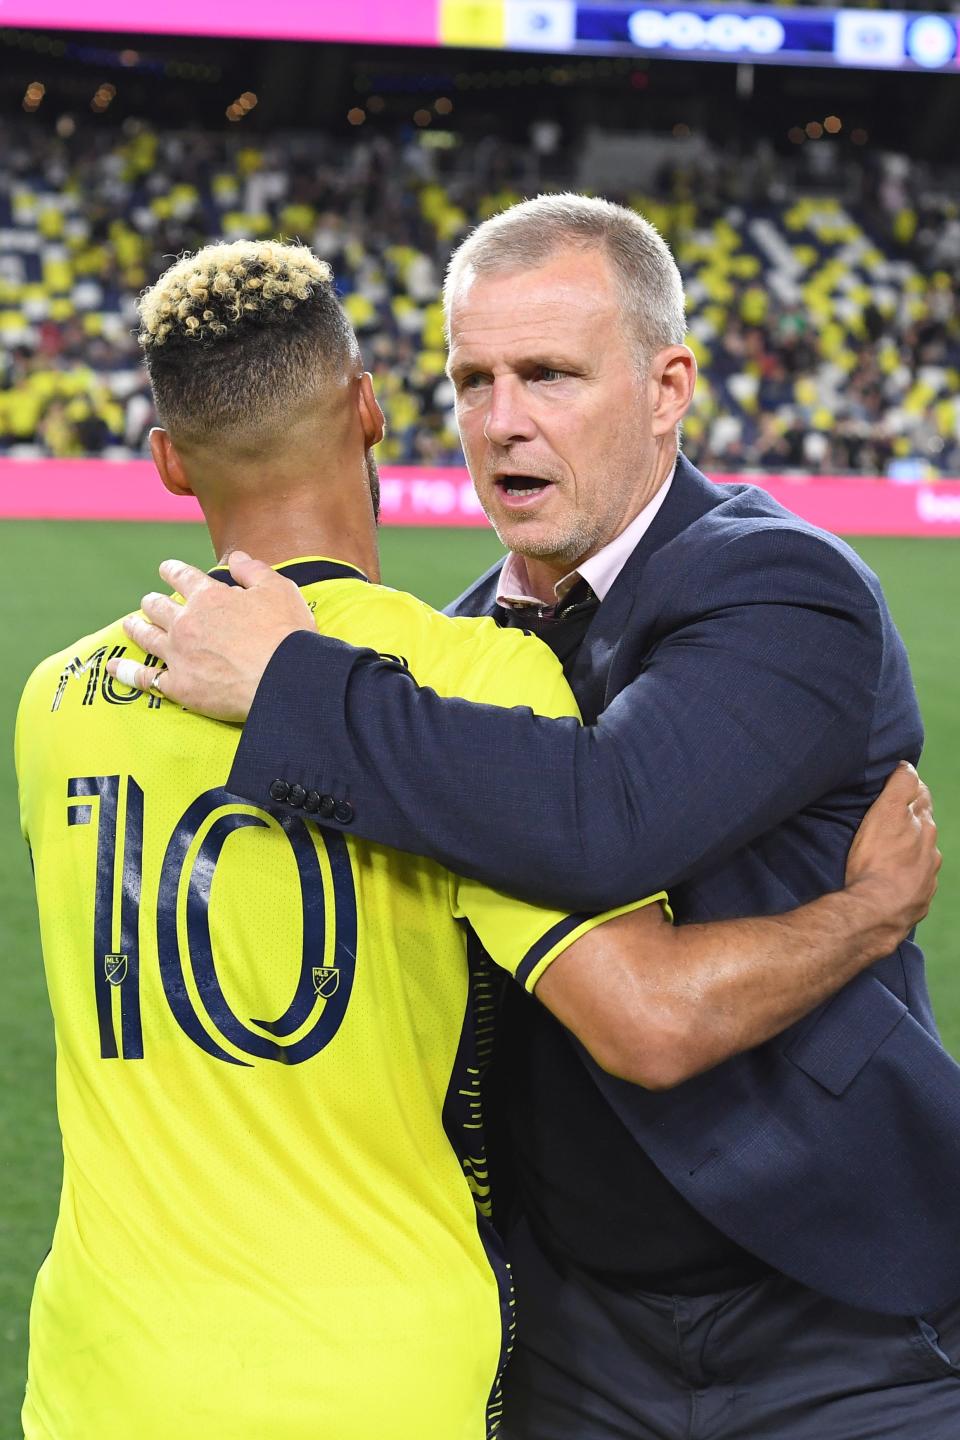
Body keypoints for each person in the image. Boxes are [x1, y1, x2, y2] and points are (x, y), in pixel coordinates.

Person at [109, 210, 960, 1438]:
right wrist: (859, 917)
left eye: (550, 375)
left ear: (668, 387)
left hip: (837, 1312)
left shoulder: (785, 587)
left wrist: (295, 685)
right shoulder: (450, 655)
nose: (503, 420)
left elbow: (602, 815)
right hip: (570, 1337)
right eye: (473, 380)